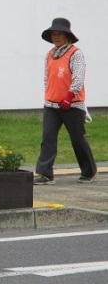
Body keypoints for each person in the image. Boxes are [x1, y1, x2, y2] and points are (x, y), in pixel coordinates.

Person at [34, 18, 97, 185]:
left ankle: (89, 171)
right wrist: (48, 96)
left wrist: (69, 97)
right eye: (54, 34)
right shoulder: (49, 54)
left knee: (77, 139)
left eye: (59, 34)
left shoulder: (76, 54)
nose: (56, 37)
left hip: (73, 105)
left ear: (67, 36)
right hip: (51, 106)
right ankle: (45, 174)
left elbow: (78, 77)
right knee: (48, 138)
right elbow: (47, 78)